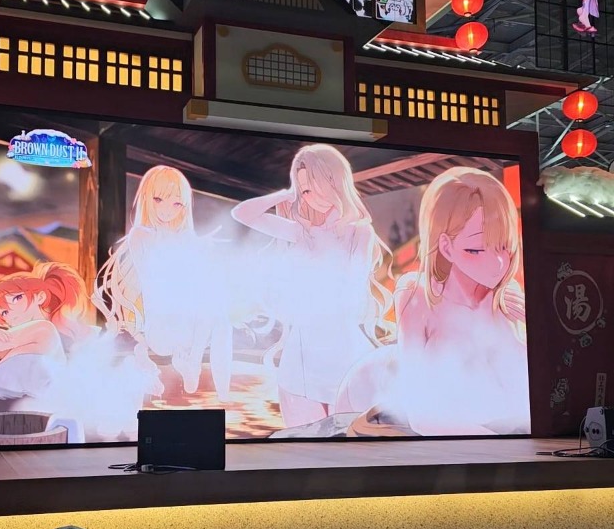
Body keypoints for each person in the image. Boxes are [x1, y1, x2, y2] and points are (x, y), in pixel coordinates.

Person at [231, 143, 392, 428]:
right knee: (304, 437)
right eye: (305, 191)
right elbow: (242, 213)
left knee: (348, 436)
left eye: (317, 185)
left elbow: (352, 293)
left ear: (336, 180)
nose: (313, 196)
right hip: (302, 356)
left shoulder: (359, 232)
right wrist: (287, 193)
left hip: (342, 350)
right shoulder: (300, 231)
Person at [366, 166, 529, 436]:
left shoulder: (505, 296)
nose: (499, 263)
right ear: (445, 246)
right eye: (476, 249)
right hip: (457, 441)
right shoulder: (416, 295)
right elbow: (420, 413)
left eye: (504, 246)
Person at [92, 164, 230, 396]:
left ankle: (194, 366)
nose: (167, 210)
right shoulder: (141, 235)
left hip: (187, 328)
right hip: (158, 325)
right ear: (147, 198)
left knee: (219, 315)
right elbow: (151, 284)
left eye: (176, 204)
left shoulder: (184, 239)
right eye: (158, 200)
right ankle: (183, 361)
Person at [0, 260, 92, 401]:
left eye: (17, 298)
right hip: (6, 404)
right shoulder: (20, 342)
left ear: (40, 297)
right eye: (4, 312)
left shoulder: (44, 329)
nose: (11, 310)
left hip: (36, 404)